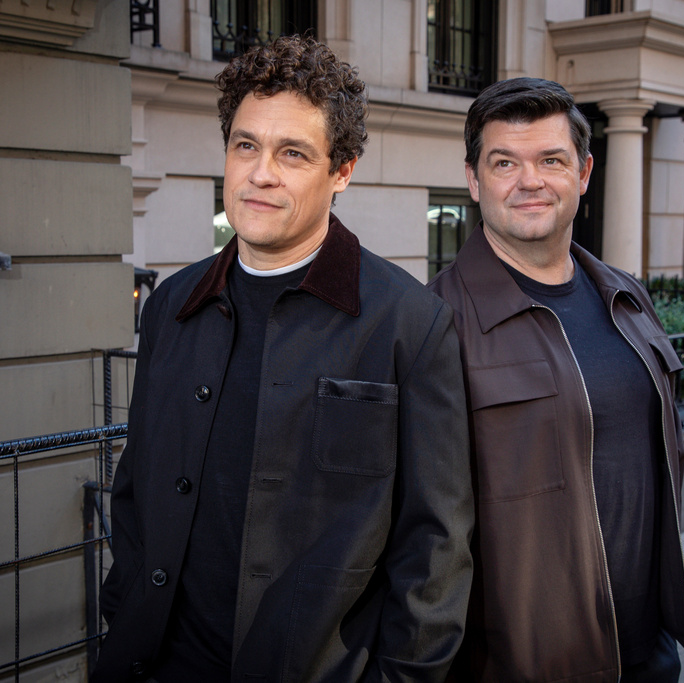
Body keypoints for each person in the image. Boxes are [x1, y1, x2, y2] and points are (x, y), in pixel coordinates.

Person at [94, 36, 474, 683]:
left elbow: (435, 549)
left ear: (342, 169)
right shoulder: (170, 307)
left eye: (292, 153)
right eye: (245, 145)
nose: (260, 173)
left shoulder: (409, 323)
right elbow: (136, 493)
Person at [428, 77, 684, 682]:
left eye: (551, 159)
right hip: (522, 667)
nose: (530, 181)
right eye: (504, 163)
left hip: (649, 655)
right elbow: (413, 535)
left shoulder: (627, 297)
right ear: (474, 180)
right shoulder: (432, 324)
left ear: (582, 173)